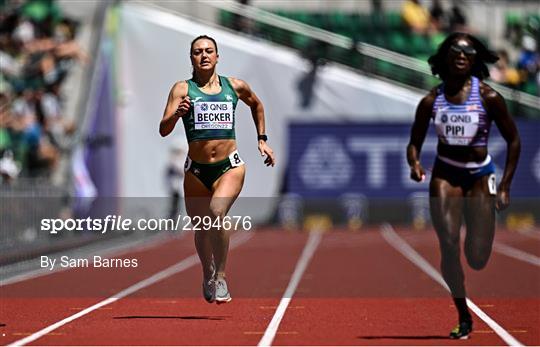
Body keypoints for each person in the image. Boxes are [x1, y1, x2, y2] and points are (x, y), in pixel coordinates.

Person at [406, 33, 520, 339]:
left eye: (468, 52)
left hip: (481, 175)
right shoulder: (432, 100)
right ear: (445, 57)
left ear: (474, 60)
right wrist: (414, 164)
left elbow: (513, 140)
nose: (461, 54)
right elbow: (414, 143)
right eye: (455, 50)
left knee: (477, 258)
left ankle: (479, 226)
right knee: (448, 243)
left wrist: (505, 185)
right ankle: (463, 314)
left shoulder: (489, 97)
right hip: (445, 175)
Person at [159, 35, 276, 304]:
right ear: (191, 58)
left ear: (217, 56)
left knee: (216, 212)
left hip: (229, 167)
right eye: (198, 52)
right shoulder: (182, 90)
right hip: (196, 171)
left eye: (209, 50)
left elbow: (256, 104)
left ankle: (221, 276)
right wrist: (178, 114)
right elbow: (163, 129)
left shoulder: (234, 86)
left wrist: (262, 140)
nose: (204, 55)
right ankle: (207, 271)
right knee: (201, 227)